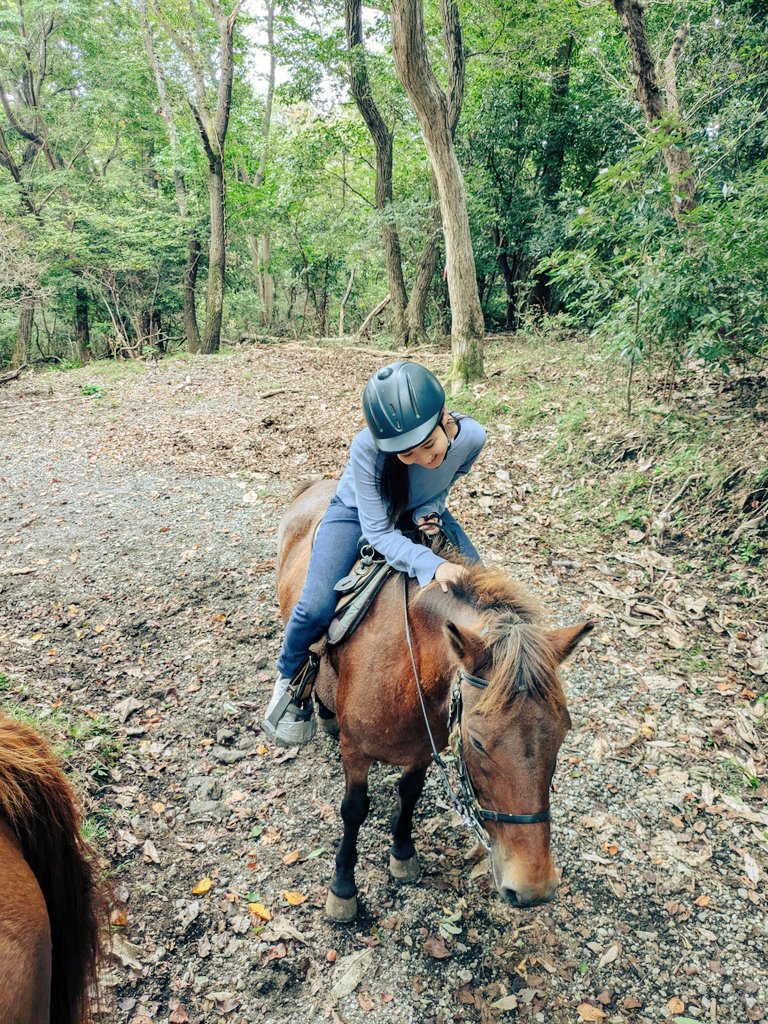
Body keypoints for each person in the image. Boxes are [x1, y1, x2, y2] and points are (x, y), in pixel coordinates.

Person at [262, 360, 486, 746]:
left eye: (429, 446)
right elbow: (379, 532)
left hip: (419, 511)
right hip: (356, 516)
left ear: (444, 416)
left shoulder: (473, 438)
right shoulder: (367, 448)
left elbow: (443, 481)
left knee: (483, 594)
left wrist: (428, 510)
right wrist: (433, 566)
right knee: (314, 605)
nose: (423, 458)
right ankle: (288, 680)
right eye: (407, 454)